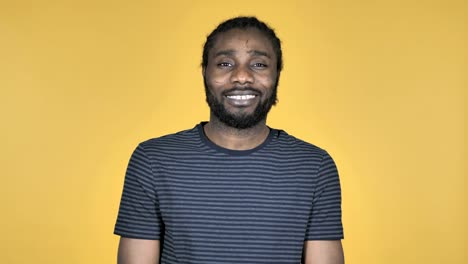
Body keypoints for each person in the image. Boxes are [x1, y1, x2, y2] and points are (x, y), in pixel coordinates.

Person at [114, 16, 344, 264]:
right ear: (204, 72)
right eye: (225, 63)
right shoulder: (152, 160)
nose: (242, 76)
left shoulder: (315, 166)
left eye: (258, 64)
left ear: (277, 74)